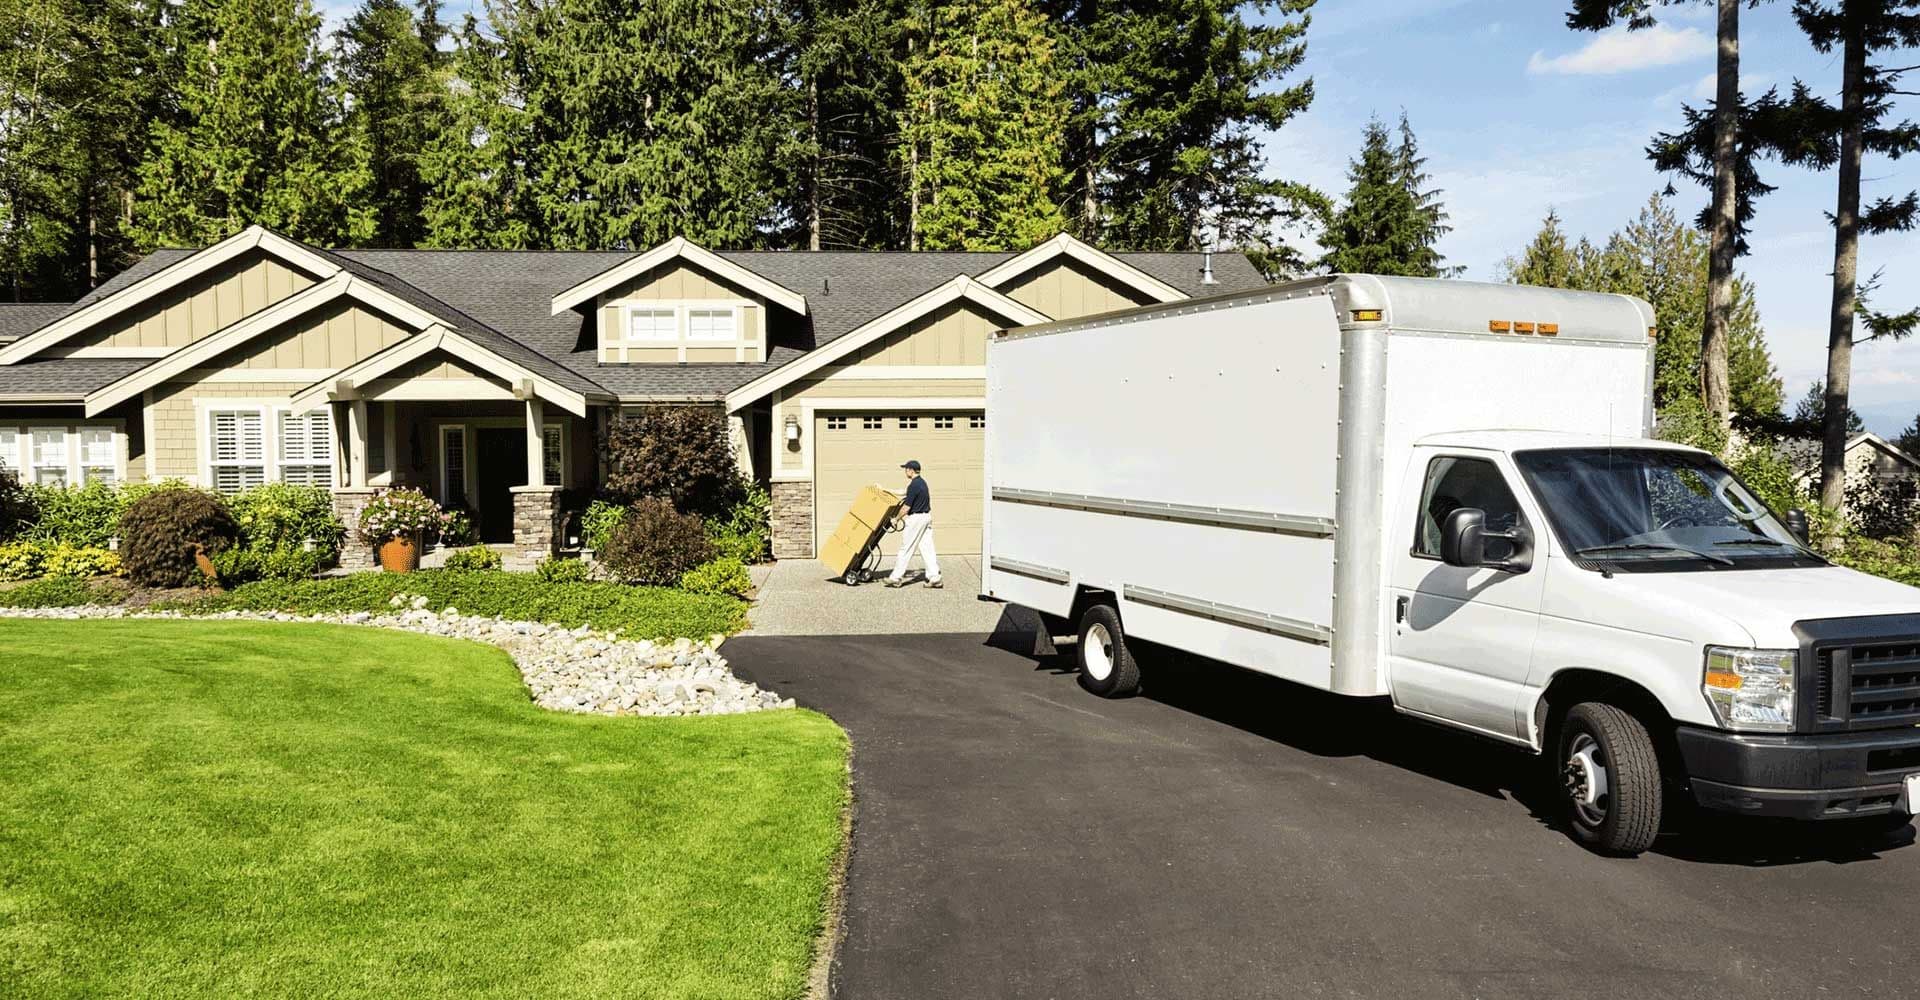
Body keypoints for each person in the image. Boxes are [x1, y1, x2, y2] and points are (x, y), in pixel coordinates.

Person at [886, 459, 942, 589]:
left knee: (906, 548)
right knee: (927, 548)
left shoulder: (914, 485)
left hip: (916, 519)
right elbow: (902, 492)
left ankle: (895, 577)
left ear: (911, 470)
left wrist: (896, 519)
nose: (905, 471)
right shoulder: (921, 483)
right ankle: (935, 577)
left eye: (906, 469)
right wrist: (885, 489)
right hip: (926, 517)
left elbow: (906, 507)